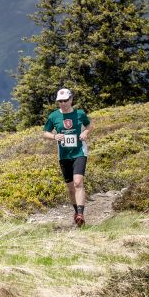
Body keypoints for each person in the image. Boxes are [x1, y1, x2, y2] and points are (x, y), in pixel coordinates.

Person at [42, 88, 93, 226]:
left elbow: (89, 125)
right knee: (70, 187)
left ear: (71, 100)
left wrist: (86, 133)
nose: (63, 103)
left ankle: (81, 214)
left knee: (78, 182)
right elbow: (45, 132)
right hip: (64, 155)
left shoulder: (80, 114)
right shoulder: (53, 116)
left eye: (65, 101)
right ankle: (76, 211)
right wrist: (54, 136)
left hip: (79, 152)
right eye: (60, 101)